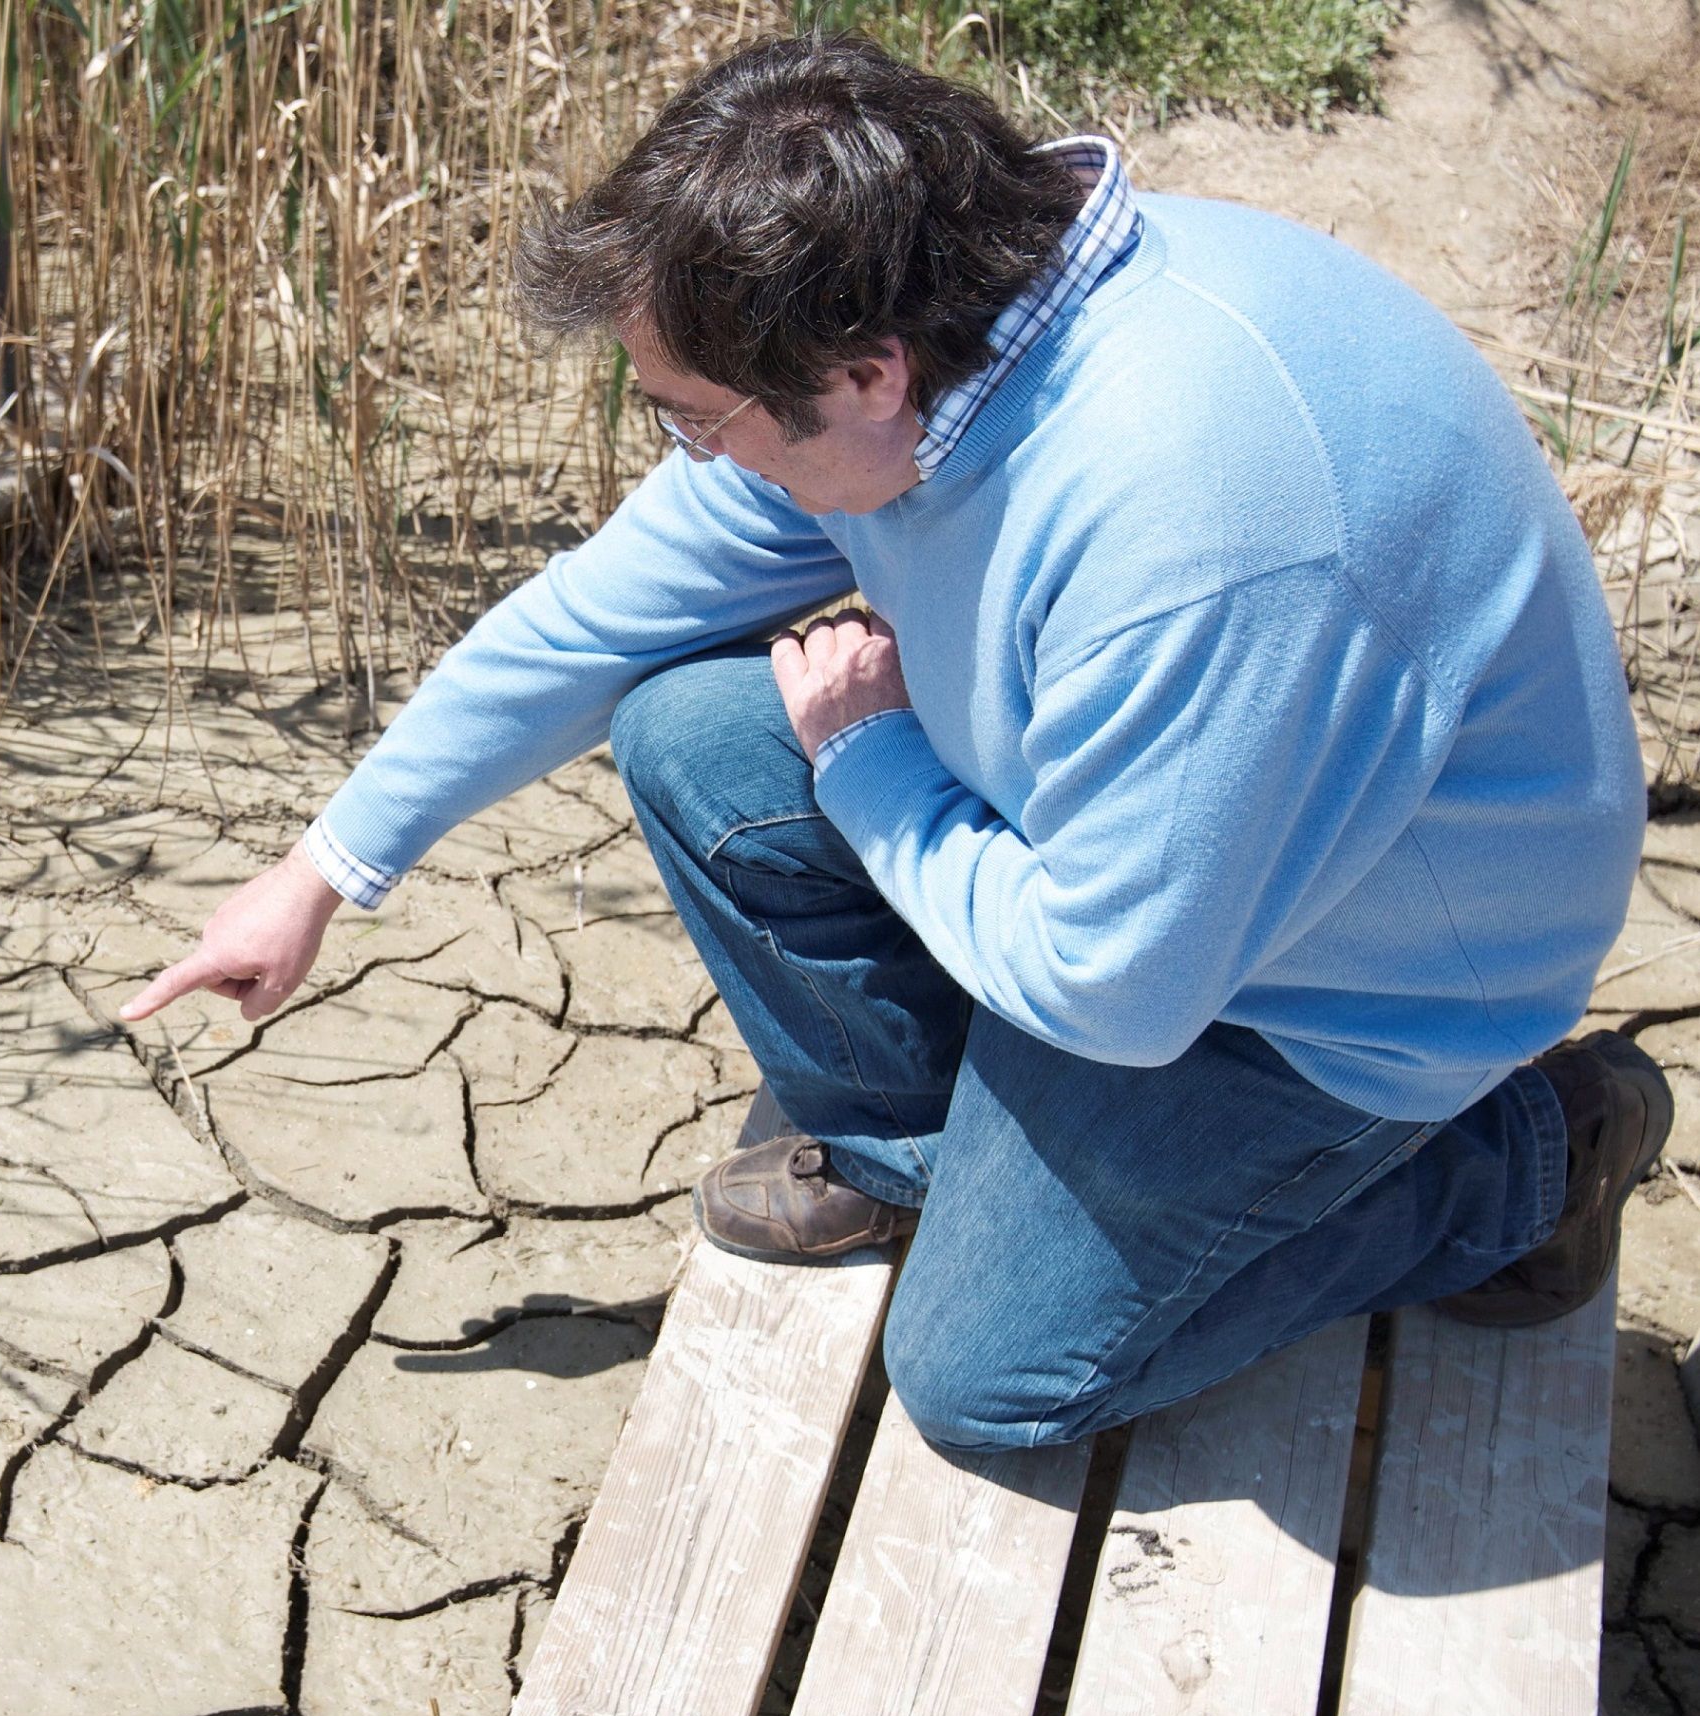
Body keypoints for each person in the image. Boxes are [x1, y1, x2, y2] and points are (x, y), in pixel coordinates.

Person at [117, 35, 1664, 1452]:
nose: (684, 447)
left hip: (1339, 993)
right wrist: (324, 866)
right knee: (692, 733)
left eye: (689, 416)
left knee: (987, 1380)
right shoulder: (934, 334)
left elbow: (1114, 992)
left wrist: (875, 771)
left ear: (862, 377)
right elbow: (597, 618)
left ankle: (1531, 1154)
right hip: (1134, 850)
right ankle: (946, 1155)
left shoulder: (1197, 518)